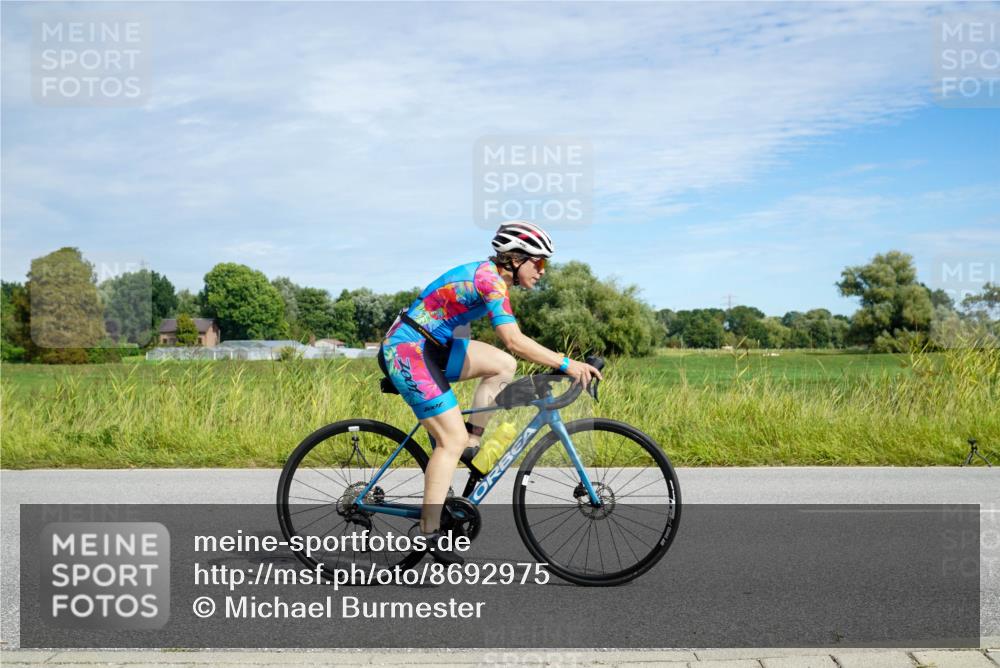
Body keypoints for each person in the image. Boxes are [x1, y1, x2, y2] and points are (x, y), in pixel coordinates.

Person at [377, 220, 603, 564]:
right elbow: (514, 340)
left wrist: (558, 362)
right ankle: (430, 532)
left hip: (433, 346)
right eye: (539, 262)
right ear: (515, 258)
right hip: (407, 350)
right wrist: (566, 364)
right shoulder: (490, 281)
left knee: (502, 365)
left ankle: (472, 442)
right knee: (449, 440)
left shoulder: (493, 280)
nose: (542, 271)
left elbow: (509, 350)